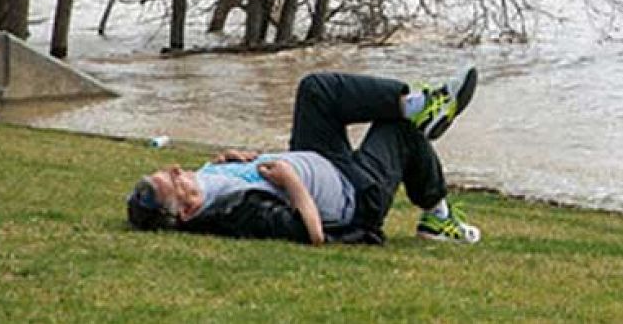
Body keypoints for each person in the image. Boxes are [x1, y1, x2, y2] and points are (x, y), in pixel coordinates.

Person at [126, 68, 480, 246]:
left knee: (314, 89)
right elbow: (312, 233)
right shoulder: (238, 213)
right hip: (355, 194)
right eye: (173, 181)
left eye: (168, 171)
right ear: (186, 212)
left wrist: (238, 160)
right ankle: (438, 219)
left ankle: (417, 105)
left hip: (320, 157)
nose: (177, 169)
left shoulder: (206, 182)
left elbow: (246, 174)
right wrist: (291, 182)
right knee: (399, 132)